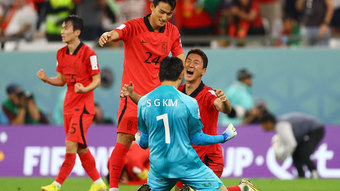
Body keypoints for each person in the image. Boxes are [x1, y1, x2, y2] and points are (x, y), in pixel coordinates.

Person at [122, 51, 260, 191]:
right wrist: (132, 94)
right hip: (184, 157)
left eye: (196, 62)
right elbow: (152, 103)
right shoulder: (179, 93)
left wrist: (224, 102)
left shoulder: (208, 93)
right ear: (182, 71)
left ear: (203, 71)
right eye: (188, 61)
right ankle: (243, 189)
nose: (190, 65)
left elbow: (222, 107)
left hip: (207, 157)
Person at [98, 0, 185, 190]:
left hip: (159, 101)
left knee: (169, 145)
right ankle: (113, 188)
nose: (164, 17)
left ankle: (176, 187)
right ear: (152, 7)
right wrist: (108, 35)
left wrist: (181, 78)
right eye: (161, 12)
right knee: (124, 141)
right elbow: (118, 32)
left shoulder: (172, 32)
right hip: (131, 96)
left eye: (169, 14)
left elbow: (179, 57)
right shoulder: (134, 26)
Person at [36, 15, 107, 191]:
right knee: (80, 148)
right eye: (61, 28)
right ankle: (98, 183)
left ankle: (56, 184)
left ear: (77, 32)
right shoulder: (60, 54)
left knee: (70, 144)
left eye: (66, 28)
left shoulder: (89, 54)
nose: (62, 32)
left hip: (83, 107)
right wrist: (46, 79)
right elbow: (61, 80)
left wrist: (85, 89)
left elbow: (97, 80)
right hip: (68, 106)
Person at [259, 111, 325, 178]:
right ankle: (301, 176)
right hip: (305, 133)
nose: (262, 127)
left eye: (262, 124)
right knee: (295, 153)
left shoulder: (281, 125)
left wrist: (283, 157)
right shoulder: (279, 124)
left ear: (268, 123)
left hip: (315, 130)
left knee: (304, 152)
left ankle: (315, 174)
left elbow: (292, 144)